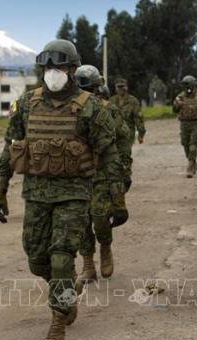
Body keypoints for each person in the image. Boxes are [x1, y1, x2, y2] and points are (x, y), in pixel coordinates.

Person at [0, 40, 122, 340]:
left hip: (74, 195)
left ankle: (57, 326)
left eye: (60, 67)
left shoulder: (90, 106)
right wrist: (0, 188)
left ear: (73, 70)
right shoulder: (26, 104)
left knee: (62, 258)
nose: (54, 73)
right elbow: (11, 147)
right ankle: (65, 294)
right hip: (36, 195)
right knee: (37, 260)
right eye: (48, 67)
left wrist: (117, 199)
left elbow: (110, 153)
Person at [74, 65, 132, 283]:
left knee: (99, 218)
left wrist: (124, 171)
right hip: (76, 175)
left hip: (101, 173)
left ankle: (105, 246)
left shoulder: (108, 109)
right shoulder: (70, 108)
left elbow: (123, 141)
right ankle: (88, 265)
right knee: (80, 221)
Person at [172, 75, 197, 178]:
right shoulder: (180, 96)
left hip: (196, 124)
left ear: (193, 85)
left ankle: (190, 168)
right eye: (185, 86)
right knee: (185, 145)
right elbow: (174, 110)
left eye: (188, 86)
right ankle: (194, 163)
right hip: (184, 124)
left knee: (193, 145)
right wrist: (177, 105)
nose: (187, 89)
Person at [109, 78, 146, 150]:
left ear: (127, 87)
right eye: (118, 87)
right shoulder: (111, 101)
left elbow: (138, 118)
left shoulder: (133, 101)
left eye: (122, 86)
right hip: (114, 134)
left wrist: (141, 134)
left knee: (124, 156)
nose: (120, 89)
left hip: (128, 134)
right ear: (115, 88)